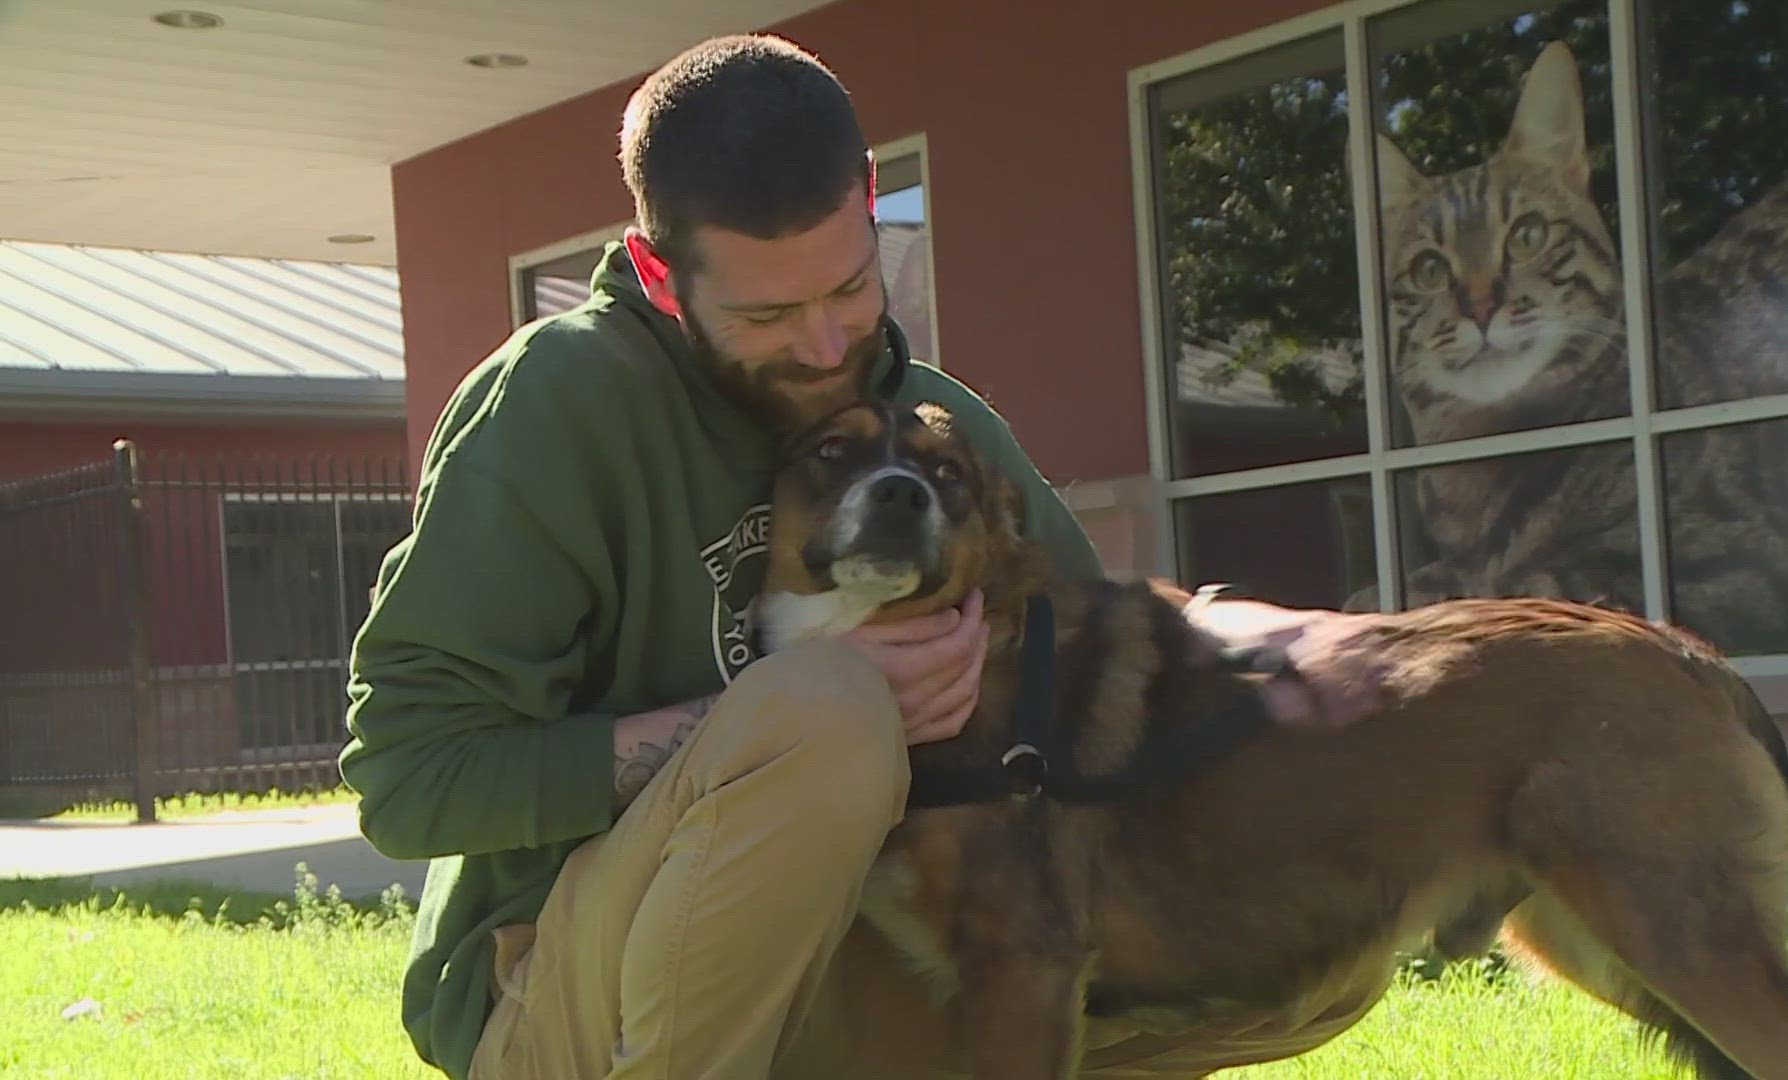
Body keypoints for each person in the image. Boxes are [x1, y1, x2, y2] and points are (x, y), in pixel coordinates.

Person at [340, 32, 1379, 1080]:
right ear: (659, 272)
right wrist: (763, 722)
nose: (828, 347)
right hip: (571, 994)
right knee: (827, 714)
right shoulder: (557, 406)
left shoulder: (937, 429)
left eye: (848, 287)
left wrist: (1250, 641)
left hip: (853, 952)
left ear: (872, 202)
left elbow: (1104, 635)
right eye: (769, 313)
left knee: (1319, 952)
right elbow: (410, 781)